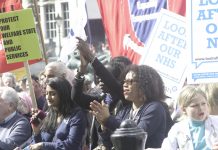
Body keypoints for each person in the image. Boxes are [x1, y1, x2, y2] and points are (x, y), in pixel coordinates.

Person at [90, 64, 173, 149]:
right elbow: (110, 144)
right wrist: (104, 126)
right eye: (124, 81)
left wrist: (108, 120)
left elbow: (136, 137)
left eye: (130, 81)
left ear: (145, 84)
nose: (125, 85)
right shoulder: (125, 110)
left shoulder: (155, 108)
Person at [27, 77, 87, 150]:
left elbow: (72, 145)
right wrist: (36, 133)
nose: (48, 98)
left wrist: (43, 145)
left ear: (63, 94)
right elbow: (39, 144)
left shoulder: (76, 115)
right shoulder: (48, 114)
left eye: (53, 94)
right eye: (46, 93)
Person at [161, 85, 218, 150]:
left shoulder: (216, 121)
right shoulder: (177, 129)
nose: (201, 108)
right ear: (184, 109)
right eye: (194, 106)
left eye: (203, 103)